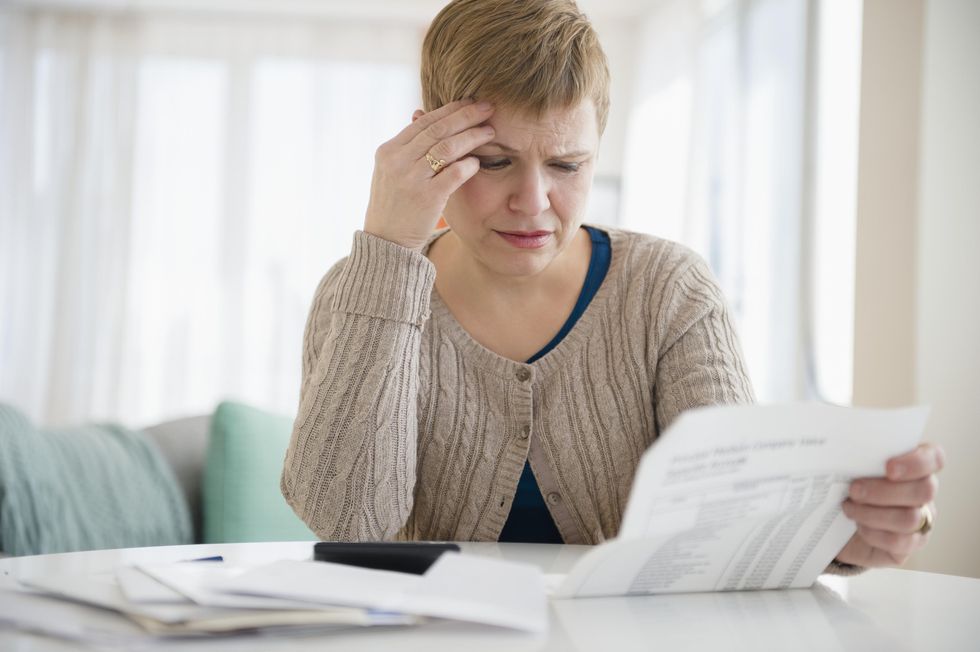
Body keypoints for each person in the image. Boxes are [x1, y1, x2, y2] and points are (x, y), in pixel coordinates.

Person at [281, 0, 942, 573]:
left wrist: (841, 538)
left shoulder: (668, 291)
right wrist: (390, 251)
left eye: (567, 164)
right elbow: (348, 523)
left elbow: (733, 520)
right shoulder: (360, 290)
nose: (533, 201)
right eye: (494, 161)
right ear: (433, 145)